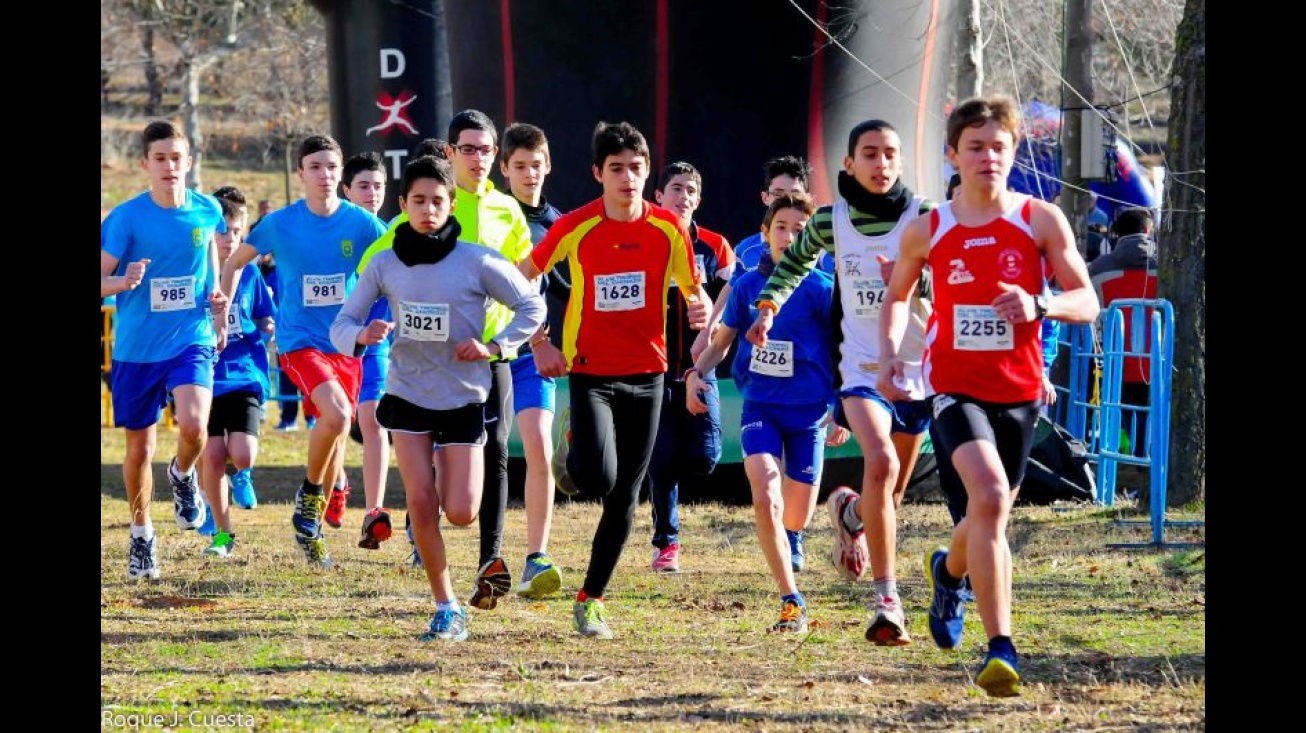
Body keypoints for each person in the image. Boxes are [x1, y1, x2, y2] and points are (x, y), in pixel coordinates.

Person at [879, 96, 1099, 697]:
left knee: (986, 514)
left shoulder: (1040, 219)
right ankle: (1001, 647)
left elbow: (1088, 300)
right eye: (975, 147)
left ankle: (948, 574)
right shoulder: (930, 228)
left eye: (999, 146)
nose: (988, 157)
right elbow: (896, 295)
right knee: (992, 495)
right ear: (953, 155)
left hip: (1022, 392)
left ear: (1013, 153)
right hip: (953, 388)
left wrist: (1041, 303)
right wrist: (894, 355)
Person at [332, 155, 545, 641]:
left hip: (464, 397)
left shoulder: (477, 259)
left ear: (452, 206)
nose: (428, 210)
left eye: (438, 201)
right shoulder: (385, 261)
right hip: (407, 394)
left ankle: (435, 500)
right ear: (403, 204)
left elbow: (531, 305)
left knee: (462, 511)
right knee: (423, 505)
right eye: (418, 201)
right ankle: (447, 605)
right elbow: (342, 323)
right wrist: (363, 334)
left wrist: (495, 345)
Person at [748, 119, 936, 647]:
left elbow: (948, 277)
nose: (881, 164)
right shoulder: (833, 222)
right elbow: (792, 266)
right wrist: (767, 308)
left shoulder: (922, 218)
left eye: (890, 154)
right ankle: (887, 601)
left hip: (918, 370)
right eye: (869, 154)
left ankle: (849, 513)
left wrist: (907, 279)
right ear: (849, 163)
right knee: (882, 463)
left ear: (901, 162)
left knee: (890, 495)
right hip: (862, 370)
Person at [519, 121, 710, 639]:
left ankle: (591, 598)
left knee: (626, 494)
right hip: (590, 374)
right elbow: (520, 277)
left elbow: (693, 288)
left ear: (647, 173)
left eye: (636, 168)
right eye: (617, 169)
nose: (628, 177)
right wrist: (539, 340)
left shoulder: (668, 228)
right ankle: (575, 437)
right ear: (597, 174)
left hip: (649, 375)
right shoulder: (575, 226)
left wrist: (701, 305)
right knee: (599, 479)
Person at [220, 133, 387, 567]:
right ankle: (309, 500)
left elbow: (398, 263)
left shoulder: (363, 224)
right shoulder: (280, 223)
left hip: (346, 343)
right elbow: (235, 262)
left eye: (332, 167)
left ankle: (314, 520)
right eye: (315, 167)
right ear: (300, 175)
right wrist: (221, 311)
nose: (325, 175)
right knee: (337, 415)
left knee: (336, 432)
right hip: (298, 341)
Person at [686, 192, 848, 632]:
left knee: (795, 516)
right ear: (764, 234)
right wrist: (696, 373)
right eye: (782, 228)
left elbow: (841, 354)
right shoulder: (746, 287)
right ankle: (790, 598)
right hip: (761, 407)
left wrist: (840, 409)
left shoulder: (820, 290)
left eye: (801, 231)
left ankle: (827, 518)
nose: (790, 237)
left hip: (808, 415)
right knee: (765, 492)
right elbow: (720, 343)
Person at [100, 120, 228, 580]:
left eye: (177, 158)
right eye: (160, 159)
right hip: (136, 350)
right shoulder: (126, 218)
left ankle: (182, 474)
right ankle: (141, 535)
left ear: (189, 163)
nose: (169, 166)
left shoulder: (207, 209)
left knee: (195, 425)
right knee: (139, 448)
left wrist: (216, 300)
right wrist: (123, 282)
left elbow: (211, 257)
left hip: (189, 338)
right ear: (145, 164)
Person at [643, 161, 733, 573]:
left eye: (691, 190)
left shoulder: (714, 245)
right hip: (652, 367)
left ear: (699, 200)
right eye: (676, 188)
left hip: (701, 365)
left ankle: (668, 456)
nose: (683, 197)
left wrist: (711, 323)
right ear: (658, 195)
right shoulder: (642, 237)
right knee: (661, 460)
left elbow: (737, 292)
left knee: (705, 457)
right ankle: (667, 543)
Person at [498, 121, 567, 597]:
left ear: (548, 166)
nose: (529, 174)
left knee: (540, 448)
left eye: (535, 165)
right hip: (483, 356)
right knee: (483, 455)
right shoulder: (490, 216)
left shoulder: (558, 222)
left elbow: (564, 288)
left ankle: (535, 558)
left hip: (530, 357)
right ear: (504, 169)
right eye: (519, 166)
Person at [195, 186, 275, 556]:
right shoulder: (199, 275)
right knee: (211, 457)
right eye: (223, 231)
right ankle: (222, 535)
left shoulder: (251, 274)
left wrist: (271, 327)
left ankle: (242, 474)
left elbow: (263, 315)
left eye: (237, 232)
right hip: (205, 378)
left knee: (241, 453)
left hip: (244, 375)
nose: (230, 240)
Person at [338, 151, 396, 548]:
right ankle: (334, 482)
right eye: (363, 186)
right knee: (337, 422)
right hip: (332, 342)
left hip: (375, 342)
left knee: (373, 420)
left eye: (378, 186)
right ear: (346, 190)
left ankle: (373, 511)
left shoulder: (392, 233)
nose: (372, 193)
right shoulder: (332, 229)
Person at [1089, 206, 1158, 455]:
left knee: (1126, 409)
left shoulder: (1098, 268)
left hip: (1115, 358)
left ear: (1116, 233)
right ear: (1147, 230)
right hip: (1159, 358)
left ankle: (1134, 456)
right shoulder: (1169, 266)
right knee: (1156, 414)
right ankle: (1148, 457)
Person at [731, 155, 831, 275]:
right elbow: (734, 290)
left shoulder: (824, 247)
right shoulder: (745, 250)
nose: (787, 201)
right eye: (778, 195)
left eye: (795, 195)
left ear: (808, 199)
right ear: (765, 198)